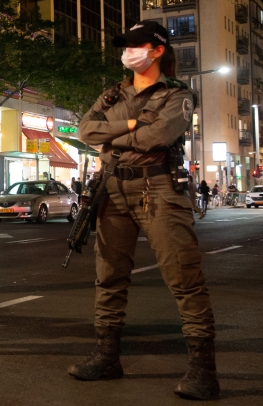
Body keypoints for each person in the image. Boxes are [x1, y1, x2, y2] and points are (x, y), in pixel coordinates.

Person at [74, 20, 218, 400]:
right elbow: (85, 131)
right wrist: (133, 122)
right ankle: (107, 357)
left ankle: (204, 371)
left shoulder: (177, 94)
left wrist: (113, 135)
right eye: (125, 46)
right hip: (112, 188)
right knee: (108, 276)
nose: (128, 52)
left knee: (184, 276)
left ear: (157, 51)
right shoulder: (112, 94)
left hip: (158, 188)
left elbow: (159, 136)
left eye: (136, 45)